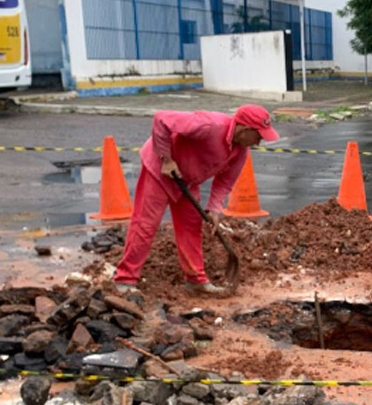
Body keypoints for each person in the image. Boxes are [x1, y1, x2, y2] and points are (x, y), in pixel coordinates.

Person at [114, 104, 279, 295]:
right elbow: (161, 119)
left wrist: (214, 208)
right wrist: (166, 159)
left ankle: (195, 280)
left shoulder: (240, 151)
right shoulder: (208, 126)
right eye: (258, 136)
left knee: (191, 226)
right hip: (160, 170)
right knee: (146, 225)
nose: (258, 142)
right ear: (244, 129)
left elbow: (225, 182)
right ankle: (125, 280)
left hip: (187, 179)